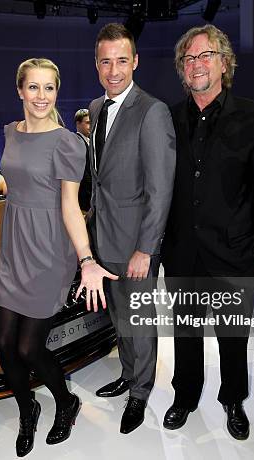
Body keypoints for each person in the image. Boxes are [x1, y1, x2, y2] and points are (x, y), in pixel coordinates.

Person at [161, 24, 254, 440]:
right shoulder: (167, 118)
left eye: (205, 55)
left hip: (235, 252)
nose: (197, 64)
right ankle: (185, 395)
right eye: (189, 58)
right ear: (182, 68)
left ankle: (233, 400)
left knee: (233, 337)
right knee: (185, 332)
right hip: (182, 251)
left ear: (224, 63)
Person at [0, 58, 117, 457]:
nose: (42, 96)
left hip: (49, 249)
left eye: (49, 88)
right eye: (34, 87)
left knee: (30, 348)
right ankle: (26, 408)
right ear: (19, 90)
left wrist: (86, 259)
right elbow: (12, 180)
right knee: (5, 345)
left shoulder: (67, 142)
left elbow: (69, 206)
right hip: (14, 244)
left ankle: (65, 402)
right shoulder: (11, 133)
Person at [88, 23, 176, 434]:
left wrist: (146, 247)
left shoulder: (152, 111)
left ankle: (139, 393)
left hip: (137, 242)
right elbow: (100, 180)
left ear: (135, 61)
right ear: (97, 64)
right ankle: (127, 374)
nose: (114, 70)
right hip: (104, 237)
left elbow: (160, 188)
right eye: (106, 61)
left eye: (122, 60)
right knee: (121, 317)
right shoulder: (95, 107)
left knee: (139, 320)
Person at [74, 108, 92, 211]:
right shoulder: (77, 142)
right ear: (78, 123)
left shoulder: (89, 141)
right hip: (84, 200)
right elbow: (84, 174)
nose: (91, 126)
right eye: (88, 123)